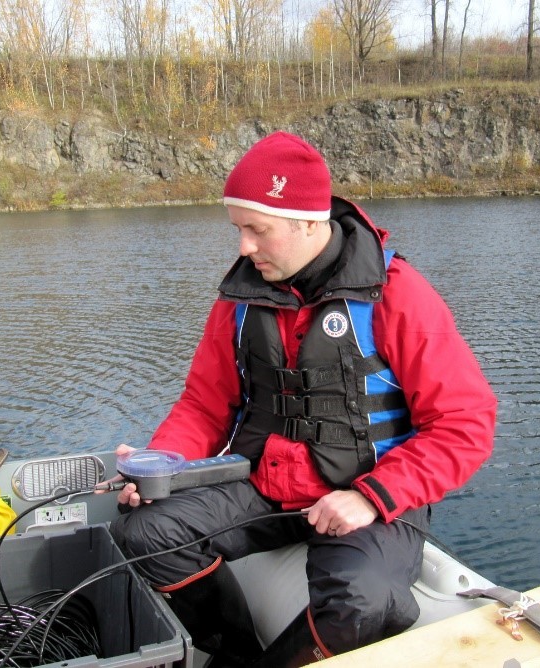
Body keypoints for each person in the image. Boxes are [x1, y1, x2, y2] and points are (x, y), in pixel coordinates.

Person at [109, 131, 496, 666]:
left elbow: (465, 424)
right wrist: (163, 466)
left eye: (256, 230)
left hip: (370, 496)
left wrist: (371, 497)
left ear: (308, 223)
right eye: (238, 229)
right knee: (145, 532)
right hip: (267, 487)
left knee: (363, 601)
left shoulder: (398, 293)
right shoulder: (239, 300)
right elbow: (203, 404)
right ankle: (234, 655)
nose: (243, 247)